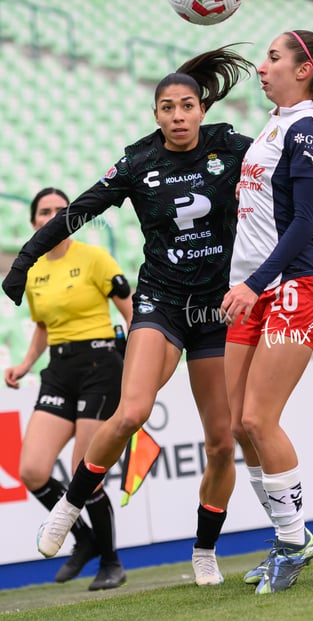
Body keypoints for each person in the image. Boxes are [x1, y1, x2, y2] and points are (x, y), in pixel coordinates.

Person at [2, 47, 255, 586]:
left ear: (202, 109)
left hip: (216, 309)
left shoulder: (232, 147)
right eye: (168, 107)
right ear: (156, 114)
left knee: (220, 440)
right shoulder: (139, 161)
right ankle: (69, 508)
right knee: (132, 410)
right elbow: (79, 210)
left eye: (187, 105)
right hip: (161, 302)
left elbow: (305, 180)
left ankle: (205, 550)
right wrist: (25, 258)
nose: (179, 115)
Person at [220, 30, 313, 594]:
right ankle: (287, 537)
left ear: (305, 70)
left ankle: (293, 542)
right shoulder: (284, 123)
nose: (262, 66)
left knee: (258, 419)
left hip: (295, 286)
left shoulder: (305, 124)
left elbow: (306, 222)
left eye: (274, 58)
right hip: (255, 288)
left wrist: (254, 283)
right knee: (237, 427)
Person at [4, 187, 132, 591]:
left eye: (63, 210)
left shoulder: (94, 257)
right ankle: (84, 539)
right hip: (58, 369)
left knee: (85, 472)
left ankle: (111, 561)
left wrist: (137, 367)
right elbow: (42, 326)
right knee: (32, 470)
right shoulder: (34, 270)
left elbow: (133, 313)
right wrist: (25, 364)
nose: (55, 216)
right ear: (34, 224)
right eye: (45, 211)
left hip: (101, 366)